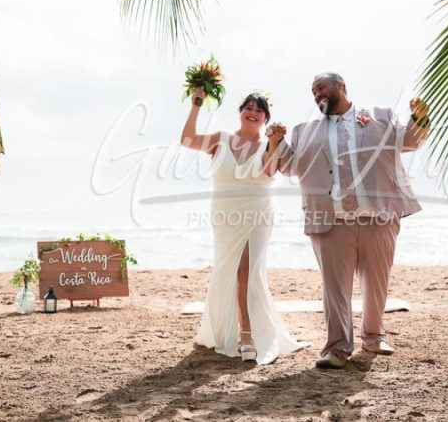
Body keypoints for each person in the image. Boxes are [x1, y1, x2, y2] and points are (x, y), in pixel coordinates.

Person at [271, 72, 429, 369]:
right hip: (331, 221)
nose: (316, 93)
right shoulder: (304, 131)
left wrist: (420, 117)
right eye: (312, 90)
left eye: (321, 87)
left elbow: (410, 141)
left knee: (377, 282)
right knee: (335, 288)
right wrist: (277, 141)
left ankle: (374, 336)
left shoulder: (380, 116)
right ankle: (337, 347)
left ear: (340, 87)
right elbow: (289, 167)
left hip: (379, 217)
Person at [180, 87, 305, 364]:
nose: (253, 113)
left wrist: (275, 142)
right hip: (225, 214)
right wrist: (196, 105)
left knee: (244, 270)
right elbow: (187, 139)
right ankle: (226, 329)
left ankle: (247, 334)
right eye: (249, 108)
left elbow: (269, 172)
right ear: (241, 112)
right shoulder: (220, 139)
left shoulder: (269, 143)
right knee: (229, 270)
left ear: (265, 117)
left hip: (257, 213)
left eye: (259, 110)